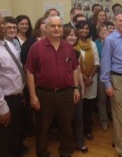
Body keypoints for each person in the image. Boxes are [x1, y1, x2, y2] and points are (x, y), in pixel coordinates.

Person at [26, 15, 81, 157]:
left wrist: (76, 88)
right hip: (44, 94)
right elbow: (30, 72)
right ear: (46, 27)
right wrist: (32, 95)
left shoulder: (68, 47)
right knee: (43, 128)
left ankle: (66, 152)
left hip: (66, 93)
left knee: (66, 126)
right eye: (53, 26)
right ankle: (42, 153)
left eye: (59, 26)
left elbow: (74, 68)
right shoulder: (36, 47)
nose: (56, 29)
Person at [101, 10, 122, 157]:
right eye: (121, 21)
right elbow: (105, 63)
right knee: (119, 115)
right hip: (117, 80)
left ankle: (117, 139)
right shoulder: (110, 40)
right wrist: (107, 84)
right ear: (114, 22)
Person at [0, 15, 25, 157]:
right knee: (5, 139)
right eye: (0, 24)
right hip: (5, 100)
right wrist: (2, 108)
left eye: (3, 22)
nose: (3, 26)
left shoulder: (9, 44)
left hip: (16, 97)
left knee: (16, 133)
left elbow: (16, 70)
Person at [62, 27, 88, 153]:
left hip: (75, 88)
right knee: (66, 119)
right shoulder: (59, 51)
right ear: (64, 36)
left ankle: (80, 142)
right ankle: (68, 144)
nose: (73, 37)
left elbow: (78, 72)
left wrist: (81, 87)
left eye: (74, 35)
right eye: (70, 35)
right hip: (64, 90)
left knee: (79, 117)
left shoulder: (75, 52)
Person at [74, 20, 99, 140]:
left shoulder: (92, 44)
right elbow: (74, 66)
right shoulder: (74, 44)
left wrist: (89, 77)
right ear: (77, 30)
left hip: (91, 80)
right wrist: (83, 78)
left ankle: (88, 130)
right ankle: (79, 131)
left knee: (89, 108)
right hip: (78, 81)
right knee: (79, 109)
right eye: (81, 28)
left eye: (87, 28)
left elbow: (97, 62)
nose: (84, 31)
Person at [95, 25, 110, 131]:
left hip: (112, 73)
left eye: (106, 30)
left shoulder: (111, 42)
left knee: (112, 98)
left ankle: (112, 117)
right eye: (102, 30)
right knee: (102, 99)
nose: (104, 31)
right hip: (100, 73)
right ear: (98, 33)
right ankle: (104, 120)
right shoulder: (95, 44)